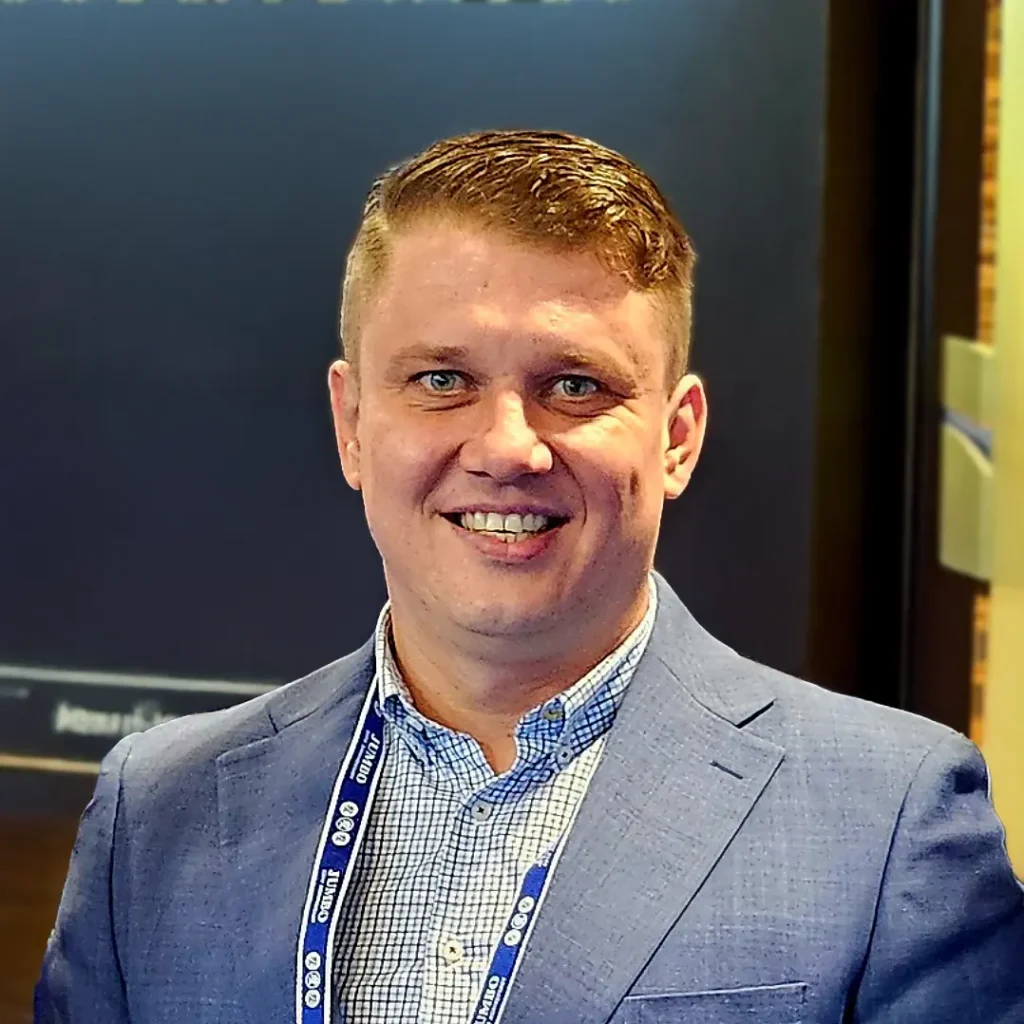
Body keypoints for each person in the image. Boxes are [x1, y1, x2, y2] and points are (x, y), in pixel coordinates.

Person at [36, 129, 1024, 1024]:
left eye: (575, 385)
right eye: (441, 380)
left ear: (677, 437)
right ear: (352, 423)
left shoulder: (888, 821)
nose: (507, 446)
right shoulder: (153, 813)